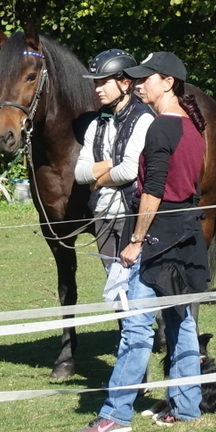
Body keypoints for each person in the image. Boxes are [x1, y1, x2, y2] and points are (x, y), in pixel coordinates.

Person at [72, 52, 209, 432]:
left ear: (167, 82)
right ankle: (186, 407)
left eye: (146, 78)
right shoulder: (192, 128)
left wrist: (135, 241)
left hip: (156, 240)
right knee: (181, 322)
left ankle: (116, 414)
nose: (139, 84)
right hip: (186, 235)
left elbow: (153, 191)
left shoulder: (161, 128)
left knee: (136, 328)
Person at [74, 49, 154, 303]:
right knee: (116, 291)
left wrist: (98, 179)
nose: (98, 89)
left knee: (138, 289)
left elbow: (130, 171)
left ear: (125, 83)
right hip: (103, 215)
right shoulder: (97, 124)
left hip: (131, 214)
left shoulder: (143, 119)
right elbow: (79, 173)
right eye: (96, 83)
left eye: (104, 82)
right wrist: (111, 163)